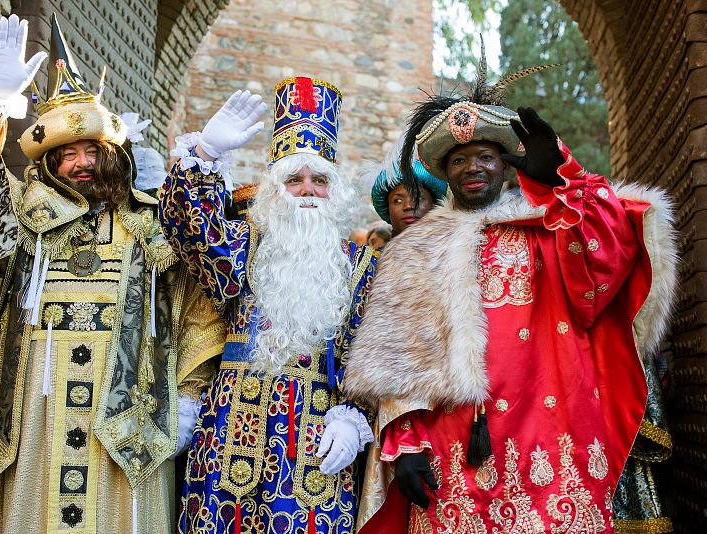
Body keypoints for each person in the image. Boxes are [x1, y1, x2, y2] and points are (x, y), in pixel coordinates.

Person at [345, 64, 677, 531]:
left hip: (551, 423)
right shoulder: (416, 248)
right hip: (452, 438)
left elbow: (612, 249)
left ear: (505, 164)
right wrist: (405, 442)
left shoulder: (548, 227)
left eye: (484, 156)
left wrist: (563, 177)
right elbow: (397, 354)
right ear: (445, 172)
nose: (473, 168)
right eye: (459, 161)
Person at [0, 15, 225, 533]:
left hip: (128, 415)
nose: (81, 164)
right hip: (35, 410)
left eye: (91, 151)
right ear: (49, 163)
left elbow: (197, 312)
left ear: (112, 156)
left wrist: (190, 396)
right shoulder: (26, 219)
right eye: (67, 155)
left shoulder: (151, 226)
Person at [159, 77, 377, 534]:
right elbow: (188, 231)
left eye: (319, 180)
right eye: (294, 180)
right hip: (228, 428)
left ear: (333, 192)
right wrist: (204, 157)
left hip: (315, 434)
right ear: (275, 191)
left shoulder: (361, 265)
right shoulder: (245, 245)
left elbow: (373, 351)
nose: (307, 190)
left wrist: (354, 416)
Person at [370, 158, 447, 236]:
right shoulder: (364, 248)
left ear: (434, 205)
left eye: (418, 198)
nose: (408, 206)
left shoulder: (456, 247)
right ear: (388, 209)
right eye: (398, 200)